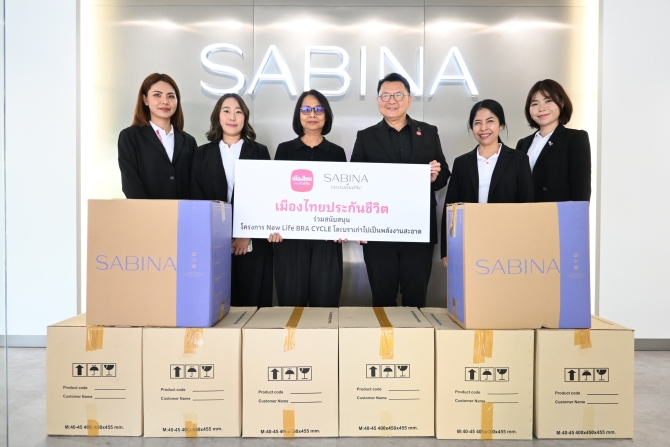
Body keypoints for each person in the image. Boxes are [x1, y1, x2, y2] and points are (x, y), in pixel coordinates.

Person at [350, 72, 450, 308]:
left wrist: (434, 177)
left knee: (416, 300)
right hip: (378, 231)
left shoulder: (428, 132)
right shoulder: (366, 137)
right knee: (382, 301)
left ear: (409, 100)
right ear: (378, 100)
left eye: (398, 95)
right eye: (385, 95)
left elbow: (444, 174)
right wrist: (358, 225)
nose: (391, 101)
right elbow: (355, 183)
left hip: (418, 230)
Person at [191, 93, 273, 307]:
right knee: (218, 305)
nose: (232, 117)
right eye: (226, 111)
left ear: (245, 117)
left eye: (238, 112)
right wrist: (219, 237)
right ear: (217, 116)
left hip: (252, 243)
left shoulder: (259, 151)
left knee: (252, 304)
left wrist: (246, 234)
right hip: (214, 243)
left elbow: (265, 197)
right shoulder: (201, 153)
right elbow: (197, 197)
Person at [268, 90, 347, 307]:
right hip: (290, 240)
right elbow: (275, 194)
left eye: (318, 109)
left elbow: (343, 197)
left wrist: (345, 226)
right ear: (298, 114)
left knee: (325, 307)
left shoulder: (337, 153)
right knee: (292, 307)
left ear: (326, 115)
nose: (312, 114)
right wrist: (272, 226)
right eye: (306, 109)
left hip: (327, 241)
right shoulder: (284, 150)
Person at [440, 99, 533, 265]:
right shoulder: (462, 163)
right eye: (477, 123)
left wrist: (526, 244)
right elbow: (451, 207)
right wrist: (446, 249)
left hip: (508, 241)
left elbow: (527, 204)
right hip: (469, 241)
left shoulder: (518, 160)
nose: (483, 128)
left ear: (501, 125)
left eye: (490, 121)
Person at [118, 73, 197, 199]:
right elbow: (130, 183)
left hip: (183, 211)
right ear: (145, 99)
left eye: (171, 96)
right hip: (145, 210)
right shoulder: (130, 137)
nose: (165, 101)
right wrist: (151, 210)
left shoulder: (189, 141)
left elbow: (195, 184)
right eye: (157, 95)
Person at [515, 79, 591, 202]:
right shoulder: (523, 144)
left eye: (548, 101)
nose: (541, 108)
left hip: (556, 212)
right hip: (525, 212)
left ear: (561, 103)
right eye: (534, 104)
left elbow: (581, 190)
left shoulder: (575, 139)